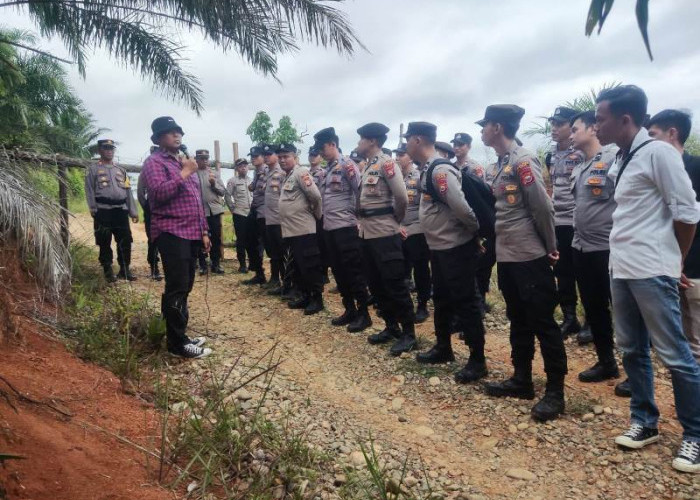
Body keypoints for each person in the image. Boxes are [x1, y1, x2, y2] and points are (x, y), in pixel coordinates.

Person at [595, 85, 700, 473]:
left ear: (625, 119)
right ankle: (644, 421)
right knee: (633, 350)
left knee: (676, 354)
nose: (595, 125)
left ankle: (695, 435)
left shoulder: (658, 153)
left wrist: (676, 260)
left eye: (600, 118)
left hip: (653, 269)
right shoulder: (620, 157)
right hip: (621, 268)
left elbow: (687, 213)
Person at [478, 104, 567, 422]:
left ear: (498, 127)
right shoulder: (502, 163)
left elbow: (543, 208)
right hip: (508, 255)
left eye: (485, 125)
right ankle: (522, 379)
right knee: (518, 318)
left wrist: (550, 246)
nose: (482, 130)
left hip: (529, 256)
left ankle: (555, 391)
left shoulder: (522, 160)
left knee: (543, 322)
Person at [406, 122, 487, 383]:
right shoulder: (428, 169)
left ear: (417, 140)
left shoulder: (440, 170)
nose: (406, 145)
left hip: (455, 247)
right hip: (439, 247)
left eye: (408, 139)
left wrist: (474, 233)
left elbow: (463, 209)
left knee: (467, 302)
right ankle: (443, 347)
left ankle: (477, 359)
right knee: (441, 298)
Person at [141, 116, 212, 359]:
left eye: (178, 131)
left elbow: (196, 201)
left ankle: (178, 334)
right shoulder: (153, 162)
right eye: (170, 132)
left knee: (185, 285)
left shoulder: (184, 163)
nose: (177, 135)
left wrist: (204, 231)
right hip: (171, 232)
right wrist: (184, 173)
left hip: (191, 232)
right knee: (177, 286)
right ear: (159, 138)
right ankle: (177, 344)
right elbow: (158, 194)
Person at [568, 110, 620, 383]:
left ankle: (637, 373)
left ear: (592, 129)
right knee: (595, 307)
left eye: (576, 129)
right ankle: (606, 361)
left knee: (623, 311)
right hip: (582, 247)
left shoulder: (614, 158)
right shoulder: (579, 166)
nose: (572, 134)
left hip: (609, 248)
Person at [356, 122, 416, 355]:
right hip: (367, 232)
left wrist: (395, 222)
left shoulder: (387, 163)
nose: (359, 143)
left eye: (362, 139)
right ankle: (391, 327)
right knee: (376, 283)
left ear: (372, 141)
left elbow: (402, 197)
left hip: (384, 232)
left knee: (395, 283)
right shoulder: (368, 166)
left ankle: (409, 333)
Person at [648, 109, 700, 364]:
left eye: (652, 135)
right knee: (671, 340)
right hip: (663, 265)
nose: (648, 142)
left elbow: (691, 218)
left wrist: (683, 260)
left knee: (693, 343)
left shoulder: (696, 168)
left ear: (672, 133)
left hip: (691, 268)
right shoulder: (654, 171)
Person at [314, 127, 372, 332]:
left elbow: (360, 192)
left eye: (322, 148)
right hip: (329, 227)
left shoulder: (348, 165)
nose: (320, 153)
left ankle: (364, 314)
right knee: (338, 271)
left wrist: (359, 219)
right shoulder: (327, 169)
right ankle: (349, 309)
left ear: (332, 144)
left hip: (346, 227)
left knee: (354, 271)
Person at [546, 106, 587, 341]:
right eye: (553, 123)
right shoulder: (550, 155)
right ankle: (569, 317)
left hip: (577, 219)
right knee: (562, 271)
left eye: (559, 124)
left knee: (583, 270)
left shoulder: (581, 152)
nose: (554, 128)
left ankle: (590, 320)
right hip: (558, 219)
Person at [278, 143, 325, 314]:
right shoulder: (287, 176)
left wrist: (317, 217)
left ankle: (317, 299)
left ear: (295, 158)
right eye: (280, 157)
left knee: (310, 266)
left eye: (286, 156)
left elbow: (316, 197)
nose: (282, 160)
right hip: (292, 230)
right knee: (299, 266)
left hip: (304, 229)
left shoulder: (301, 173)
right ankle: (305, 296)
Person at [452, 132, 495, 314]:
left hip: (476, 218)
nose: (457, 147)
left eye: (461, 144)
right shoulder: (451, 167)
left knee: (481, 263)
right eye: (455, 144)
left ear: (468, 146)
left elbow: (481, 195)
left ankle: (481, 301)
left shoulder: (475, 167)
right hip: (459, 220)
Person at [85, 139, 139, 282]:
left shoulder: (121, 170)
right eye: (106, 148)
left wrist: (133, 211)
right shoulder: (93, 169)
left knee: (125, 240)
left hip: (121, 210)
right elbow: (89, 190)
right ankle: (108, 269)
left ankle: (124, 269)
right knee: (104, 240)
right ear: (100, 150)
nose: (109, 150)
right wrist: (92, 208)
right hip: (103, 210)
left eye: (111, 148)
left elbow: (128, 191)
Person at [395, 142, 430, 323]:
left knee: (420, 267)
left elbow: (424, 204)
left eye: (402, 155)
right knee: (401, 269)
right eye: (397, 155)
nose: (398, 158)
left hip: (416, 228)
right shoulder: (395, 177)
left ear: (409, 157)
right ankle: (402, 306)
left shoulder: (418, 176)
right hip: (398, 228)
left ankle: (423, 304)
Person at [195, 149, 226, 275]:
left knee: (216, 237)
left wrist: (214, 184)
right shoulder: (193, 173)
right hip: (198, 211)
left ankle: (216, 263)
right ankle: (202, 264)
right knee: (199, 238)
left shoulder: (215, 173)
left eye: (206, 158)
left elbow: (222, 192)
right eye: (202, 158)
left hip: (214, 211)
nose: (205, 160)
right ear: (196, 160)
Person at [261, 144, 286, 293]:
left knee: (282, 253)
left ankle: (286, 283)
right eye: (265, 154)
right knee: (273, 252)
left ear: (276, 156)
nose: (266, 156)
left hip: (279, 220)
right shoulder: (266, 173)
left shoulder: (281, 173)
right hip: (269, 219)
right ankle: (275, 279)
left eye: (269, 154)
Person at [137, 146, 162, 281]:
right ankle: (154, 268)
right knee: (153, 239)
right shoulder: (146, 171)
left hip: (165, 209)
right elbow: (140, 193)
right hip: (151, 209)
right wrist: (147, 207)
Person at [226, 157, 253, 273]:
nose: (243, 168)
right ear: (237, 168)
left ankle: (253, 263)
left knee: (252, 239)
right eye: (241, 166)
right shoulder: (233, 181)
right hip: (240, 214)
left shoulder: (251, 180)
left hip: (251, 214)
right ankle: (242, 264)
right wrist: (233, 209)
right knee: (241, 240)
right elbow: (227, 196)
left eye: (245, 165)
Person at [309, 146, 330, 284]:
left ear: (320, 158)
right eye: (311, 155)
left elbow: (321, 194)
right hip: (308, 214)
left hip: (319, 212)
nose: (312, 157)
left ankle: (324, 273)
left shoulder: (322, 173)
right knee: (313, 244)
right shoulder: (305, 173)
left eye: (315, 155)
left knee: (322, 244)